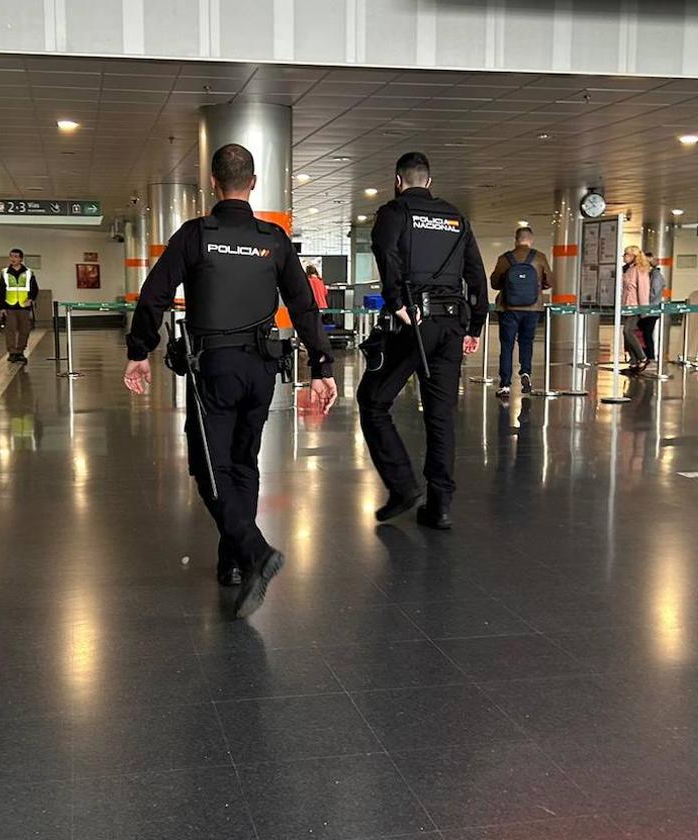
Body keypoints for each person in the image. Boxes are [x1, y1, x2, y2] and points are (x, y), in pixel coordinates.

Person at [123, 143, 337, 619]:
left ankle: (256, 552)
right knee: (243, 462)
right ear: (253, 183)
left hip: (213, 371)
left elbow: (154, 295)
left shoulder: (196, 235)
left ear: (213, 184)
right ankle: (233, 563)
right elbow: (304, 306)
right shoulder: (274, 239)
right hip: (262, 369)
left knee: (209, 468)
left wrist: (140, 352)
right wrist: (322, 366)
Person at [357, 151, 488, 531]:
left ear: (398, 180)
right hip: (451, 325)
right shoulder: (456, 218)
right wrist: (475, 327)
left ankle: (402, 486)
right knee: (440, 415)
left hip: (415, 322)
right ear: (429, 182)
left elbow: (385, 251)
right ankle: (440, 506)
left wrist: (397, 302)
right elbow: (476, 275)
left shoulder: (394, 213)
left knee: (374, 400)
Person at [489, 226, 551, 397]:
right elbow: (549, 281)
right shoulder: (539, 257)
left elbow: (494, 283)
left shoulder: (505, 258)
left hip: (508, 308)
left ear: (516, 240)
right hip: (532, 308)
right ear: (531, 240)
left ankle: (505, 385)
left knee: (507, 345)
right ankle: (525, 373)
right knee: (526, 342)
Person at [0, 248, 38, 363]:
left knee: (25, 330)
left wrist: (31, 299)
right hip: (10, 306)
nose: (13, 259)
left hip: (24, 306)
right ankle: (12, 352)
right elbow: (0, 291)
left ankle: (20, 351)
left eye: (15, 256)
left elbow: (34, 289)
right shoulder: (5, 272)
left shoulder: (29, 272)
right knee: (10, 330)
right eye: (11, 256)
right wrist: (2, 307)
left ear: (21, 259)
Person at [619, 246, 651, 374]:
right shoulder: (628, 270)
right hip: (626, 306)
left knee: (628, 331)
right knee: (625, 333)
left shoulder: (640, 270)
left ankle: (642, 357)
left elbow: (643, 290)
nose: (624, 256)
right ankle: (633, 361)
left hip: (634, 306)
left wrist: (643, 309)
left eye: (626, 254)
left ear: (633, 256)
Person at [638, 251, 665, 364]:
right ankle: (645, 356)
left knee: (647, 334)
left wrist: (642, 298)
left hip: (651, 310)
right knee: (643, 334)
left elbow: (653, 292)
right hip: (646, 309)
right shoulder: (648, 274)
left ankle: (651, 358)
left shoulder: (656, 275)